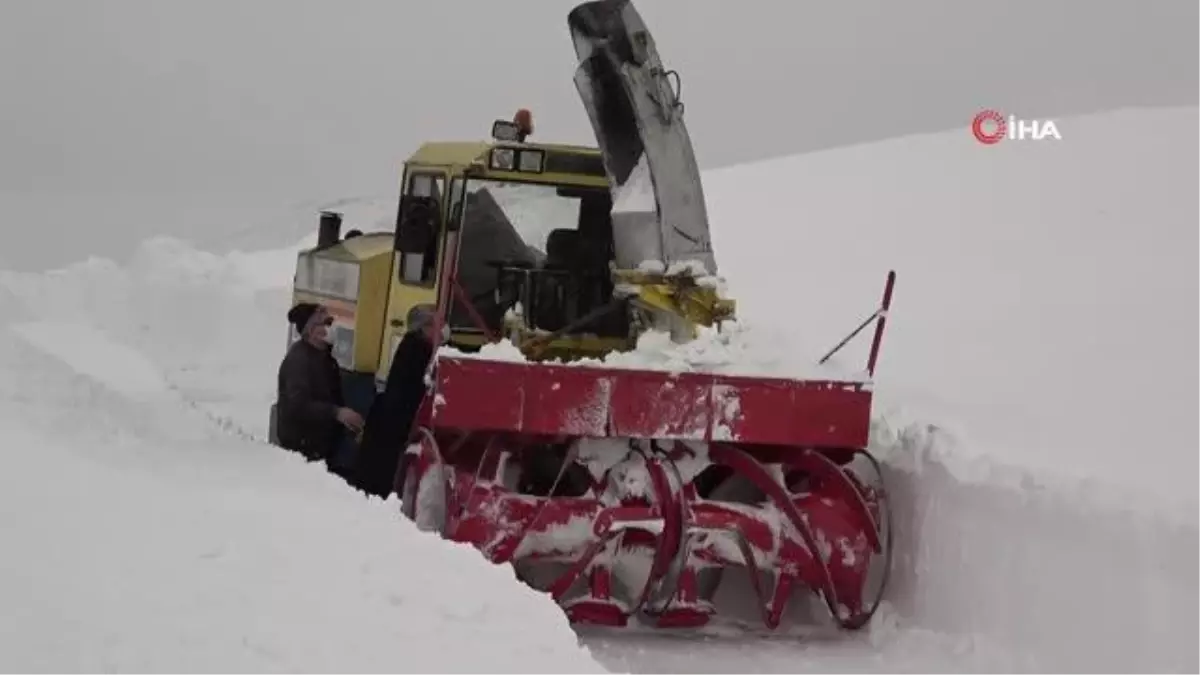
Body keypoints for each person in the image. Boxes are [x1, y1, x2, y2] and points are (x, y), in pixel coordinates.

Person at [353, 306, 439, 498]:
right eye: (437, 324)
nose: (441, 330)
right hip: (396, 420)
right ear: (425, 327)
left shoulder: (410, 344)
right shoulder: (420, 348)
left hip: (389, 416)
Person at [275, 302, 365, 461]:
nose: (332, 327)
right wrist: (336, 413)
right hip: (302, 447)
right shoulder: (299, 360)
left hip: (321, 445)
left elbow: (334, 397)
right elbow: (298, 405)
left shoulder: (326, 359)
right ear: (311, 330)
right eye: (326, 323)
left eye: (331, 322)